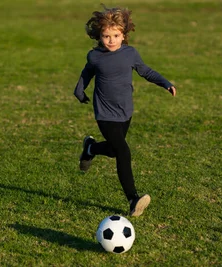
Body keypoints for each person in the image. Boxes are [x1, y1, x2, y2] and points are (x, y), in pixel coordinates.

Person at [73, 5, 176, 217]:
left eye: (116, 35)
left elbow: (145, 71)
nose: (111, 40)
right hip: (104, 113)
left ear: (124, 35)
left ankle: (91, 148)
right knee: (123, 151)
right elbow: (86, 74)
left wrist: (165, 82)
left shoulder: (130, 54)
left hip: (125, 112)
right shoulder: (95, 57)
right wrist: (79, 90)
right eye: (106, 36)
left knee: (113, 150)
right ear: (99, 36)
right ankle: (133, 199)